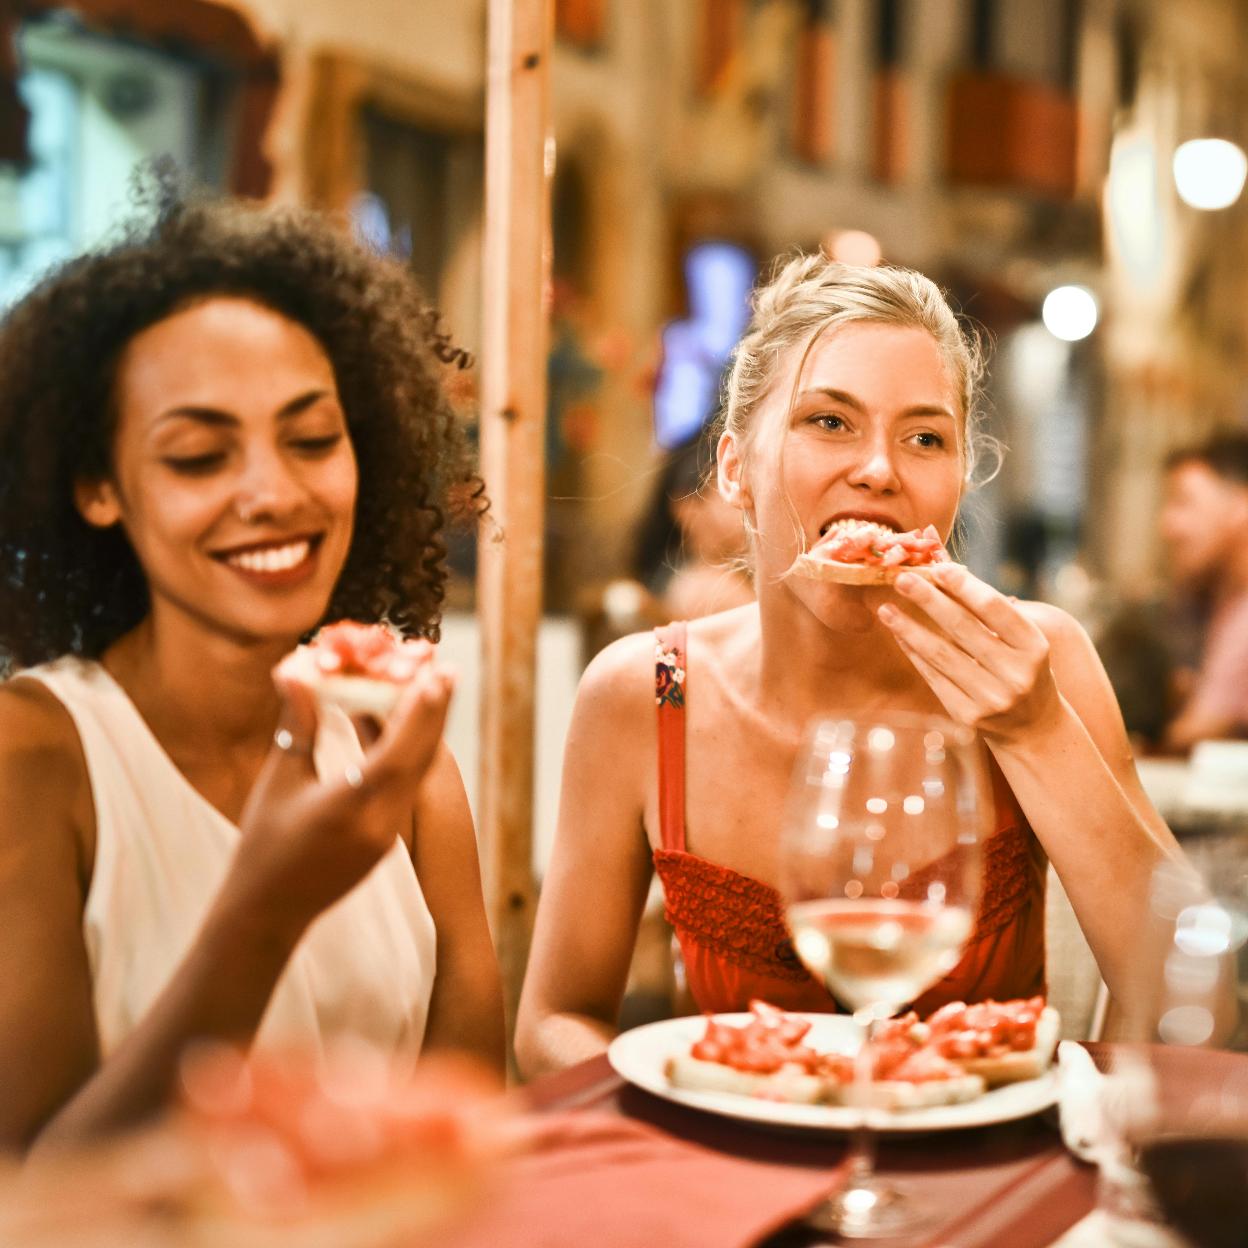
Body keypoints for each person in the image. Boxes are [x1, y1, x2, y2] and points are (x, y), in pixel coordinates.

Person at [516, 255, 1184, 1075]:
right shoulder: (649, 693)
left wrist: (1036, 728)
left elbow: (1192, 1003)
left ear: (958, 481)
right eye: (828, 421)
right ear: (735, 471)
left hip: (989, 1178)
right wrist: (674, 1103)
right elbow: (552, 1020)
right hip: (739, 1172)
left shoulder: (1042, 660)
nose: (879, 469)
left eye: (925, 437)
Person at [0, 178, 504, 1150]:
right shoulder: (36, 760)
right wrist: (264, 911)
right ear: (100, 487)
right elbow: (31, 1197)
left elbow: (469, 1137)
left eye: (312, 439)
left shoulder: (406, 767)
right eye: (198, 457)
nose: (273, 492)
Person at [1158, 432, 1248, 752]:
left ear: (1241, 505)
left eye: (1184, 502)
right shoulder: (1218, 601)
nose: (1169, 525)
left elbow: (1196, 731)